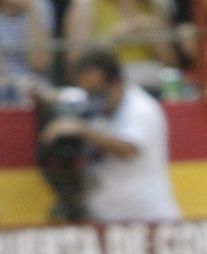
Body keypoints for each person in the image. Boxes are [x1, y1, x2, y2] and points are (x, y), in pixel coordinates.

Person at [38, 48, 181, 222]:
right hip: (105, 217)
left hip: (147, 217)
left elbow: (128, 150)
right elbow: (61, 97)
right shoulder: (92, 105)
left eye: (97, 91)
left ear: (117, 83)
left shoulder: (140, 108)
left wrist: (81, 130)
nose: (92, 98)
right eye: (87, 92)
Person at [61, 0, 176, 90]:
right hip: (107, 89)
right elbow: (76, 66)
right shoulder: (86, 5)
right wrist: (114, 38)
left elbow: (172, 66)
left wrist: (156, 38)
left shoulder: (156, 6)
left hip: (154, 86)